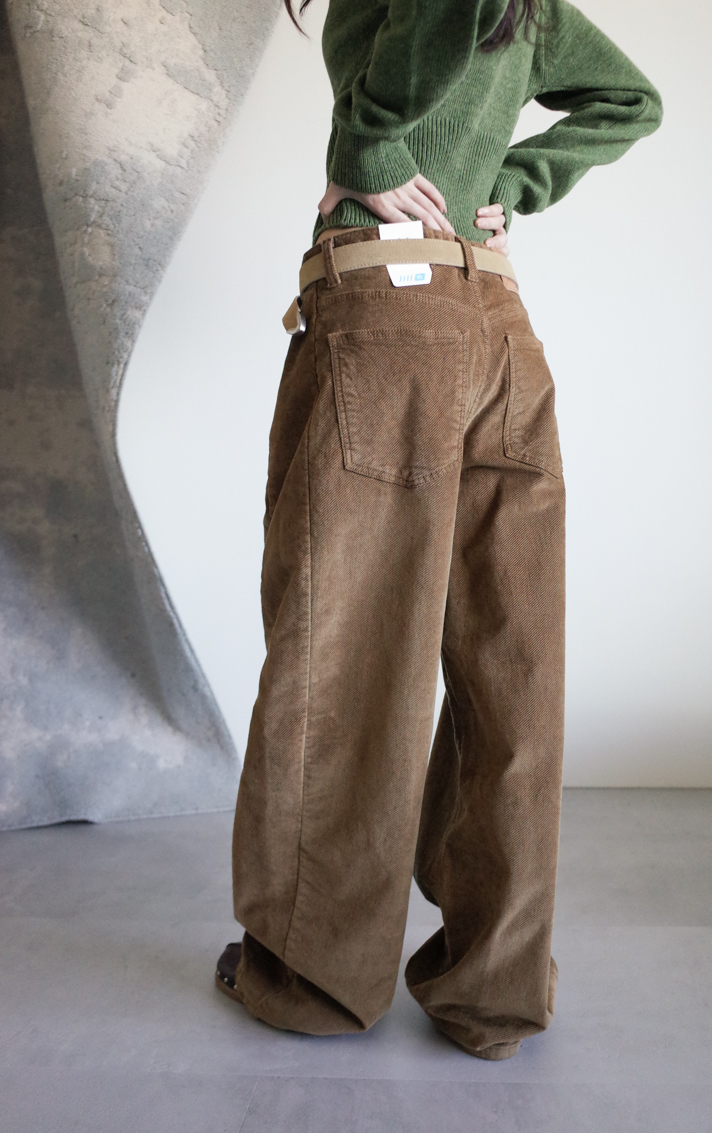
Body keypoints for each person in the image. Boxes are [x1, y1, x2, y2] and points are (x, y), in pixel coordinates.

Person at [215, 0, 662, 1061]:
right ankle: (493, 989)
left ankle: (315, 977)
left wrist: (367, 148)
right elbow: (631, 100)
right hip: (499, 329)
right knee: (512, 668)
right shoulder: (532, 12)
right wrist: (510, 183)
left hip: (387, 316)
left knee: (348, 653)